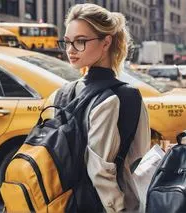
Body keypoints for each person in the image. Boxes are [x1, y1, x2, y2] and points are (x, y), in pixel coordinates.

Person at [51, 4, 150, 212]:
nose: (70, 50)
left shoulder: (63, 93)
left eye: (80, 42)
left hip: (60, 203)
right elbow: (129, 161)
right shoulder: (125, 96)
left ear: (106, 43)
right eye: (68, 42)